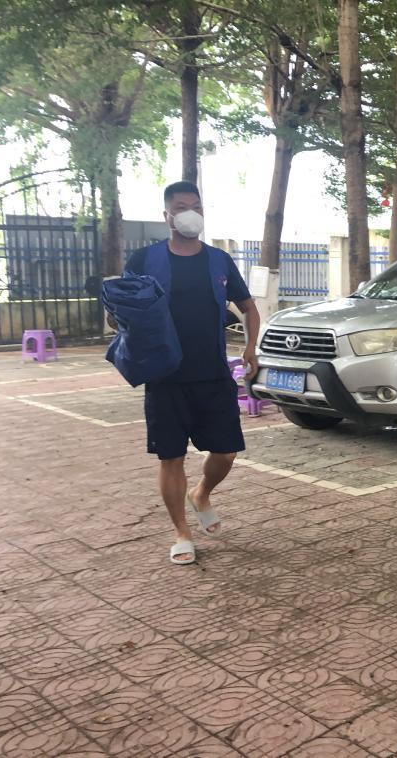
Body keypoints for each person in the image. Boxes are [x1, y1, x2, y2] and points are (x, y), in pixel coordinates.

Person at [122, 181, 260, 566]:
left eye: (197, 206)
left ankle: (201, 494)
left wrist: (250, 346)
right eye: (182, 207)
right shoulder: (144, 260)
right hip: (165, 376)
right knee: (171, 457)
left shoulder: (219, 261)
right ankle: (182, 532)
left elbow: (248, 307)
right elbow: (119, 311)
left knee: (226, 451)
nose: (191, 213)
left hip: (212, 372)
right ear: (167, 215)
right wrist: (123, 320)